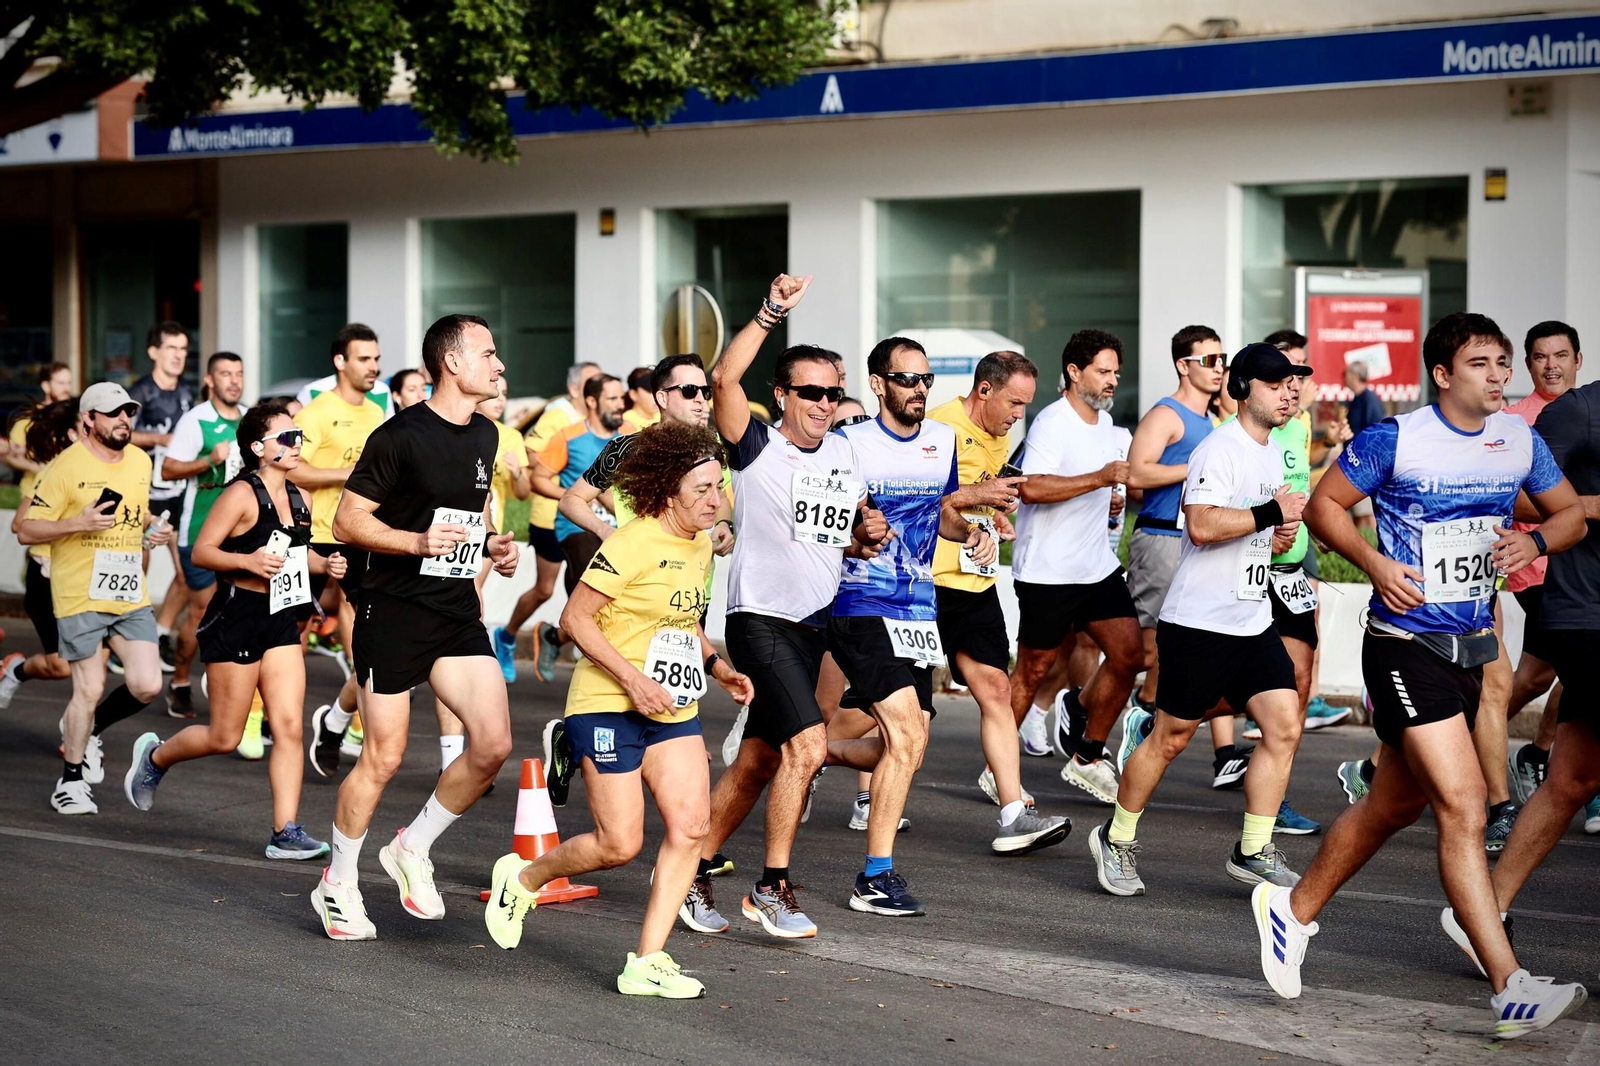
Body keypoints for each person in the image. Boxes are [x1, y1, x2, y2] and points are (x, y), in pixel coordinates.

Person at [1255, 312, 1588, 1040]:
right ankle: (1511, 987)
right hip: (1403, 645)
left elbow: (1569, 516)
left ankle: (1291, 910)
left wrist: (1534, 540)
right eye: (1481, 363)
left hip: (1472, 647)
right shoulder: (1395, 439)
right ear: (1442, 374)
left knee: (1391, 806)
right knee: (1464, 807)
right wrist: (1374, 563)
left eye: (1503, 363)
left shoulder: (1518, 441)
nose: (1499, 375)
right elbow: (1324, 506)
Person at [485, 421, 753, 997]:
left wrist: (719, 667)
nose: (716, 501)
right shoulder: (630, 543)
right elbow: (574, 620)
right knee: (619, 845)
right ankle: (524, 877)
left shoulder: (700, 545)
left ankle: (647, 961)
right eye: (703, 490)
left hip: (671, 706)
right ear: (669, 492)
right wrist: (633, 681)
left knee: (692, 827)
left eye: (719, 487)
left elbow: (682, 620)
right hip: (608, 702)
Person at [308, 313, 519, 941]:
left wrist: (491, 546)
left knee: (493, 745)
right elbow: (348, 521)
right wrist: (417, 541)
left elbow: (470, 515)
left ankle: (411, 845)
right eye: (488, 353)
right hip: (392, 609)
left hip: (453, 609)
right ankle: (337, 883)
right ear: (452, 362)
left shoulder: (486, 435)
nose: (499, 364)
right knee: (384, 756)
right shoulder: (398, 435)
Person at [662, 279, 862, 938]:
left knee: (759, 761)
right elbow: (723, 379)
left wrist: (867, 533)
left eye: (832, 393)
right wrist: (772, 311)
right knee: (807, 747)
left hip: (814, 628)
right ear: (782, 396)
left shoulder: (845, 453)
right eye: (811, 393)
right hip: (760, 623)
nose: (824, 404)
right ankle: (770, 887)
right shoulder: (757, 447)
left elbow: (846, 529)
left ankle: (689, 870)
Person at [1090, 344, 1311, 897]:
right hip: (1200, 623)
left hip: (1252, 619)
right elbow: (1203, 526)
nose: (1288, 393)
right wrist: (1272, 514)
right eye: (1276, 383)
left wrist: (1273, 535)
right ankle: (1116, 838)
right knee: (1171, 738)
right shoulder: (1219, 449)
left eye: (1292, 383)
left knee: (1284, 726)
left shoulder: (1268, 452)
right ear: (1243, 389)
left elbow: (1251, 528)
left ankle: (1253, 849)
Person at [825, 334, 1006, 917]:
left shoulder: (941, 440)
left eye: (926, 379)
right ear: (879, 385)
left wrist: (973, 532)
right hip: (860, 603)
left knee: (910, 745)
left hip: (917, 611)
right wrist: (856, 534)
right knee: (904, 737)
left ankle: (807, 749)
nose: (919, 389)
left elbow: (940, 514)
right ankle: (875, 877)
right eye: (907, 379)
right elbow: (825, 524)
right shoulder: (848, 443)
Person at [124, 402, 340, 859]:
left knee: (289, 727)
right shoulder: (241, 494)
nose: (297, 444)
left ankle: (285, 832)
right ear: (259, 448)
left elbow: (298, 556)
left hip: (280, 617)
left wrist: (327, 564)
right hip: (236, 615)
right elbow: (202, 552)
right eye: (287, 437)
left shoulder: (301, 498)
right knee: (225, 736)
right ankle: (156, 757)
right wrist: (248, 561)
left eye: (299, 436)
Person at [1460, 343, 1600, 981]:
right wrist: (1585, 506)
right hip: (1587, 612)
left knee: (1571, 779)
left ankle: (1482, 913)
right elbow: (1508, 492)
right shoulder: (1578, 412)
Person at [930, 349, 1072, 853]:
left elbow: (977, 499)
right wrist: (981, 496)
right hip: (925, 585)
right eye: (1014, 403)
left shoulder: (1001, 434)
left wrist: (995, 520)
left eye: (1025, 405)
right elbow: (924, 501)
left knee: (995, 689)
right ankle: (808, 753)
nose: (1018, 415)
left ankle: (1013, 814)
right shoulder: (938, 428)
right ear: (984, 390)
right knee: (887, 719)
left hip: (975, 584)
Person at [18, 383, 172, 813]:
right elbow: (26, 529)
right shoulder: (65, 467)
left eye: (128, 412)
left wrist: (152, 528)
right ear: (88, 420)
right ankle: (69, 783)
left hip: (128, 591)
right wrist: (77, 522)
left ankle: (88, 731)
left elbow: (136, 513)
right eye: (112, 413)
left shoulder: (140, 461)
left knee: (147, 684)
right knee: (89, 687)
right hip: (79, 592)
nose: (124, 419)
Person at [1008, 330, 1142, 809]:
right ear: (1074, 371)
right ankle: (998, 770)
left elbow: (1109, 487)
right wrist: (1099, 479)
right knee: (1033, 670)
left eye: (1116, 373)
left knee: (1129, 656)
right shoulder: (1051, 421)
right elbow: (1031, 488)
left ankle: (1087, 756)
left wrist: (1114, 496)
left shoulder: (1110, 428)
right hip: (1048, 571)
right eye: (1103, 371)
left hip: (1095, 567)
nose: (1112, 381)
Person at [1122, 325, 1249, 789]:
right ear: (1183, 365)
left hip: (1198, 543)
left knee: (1185, 647)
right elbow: (1135, 474)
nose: (1219, 369)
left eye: (1222, 360)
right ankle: (1117, 712)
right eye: (1209, 360)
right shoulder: (1167, 414)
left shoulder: (1212, 422)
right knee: (1149, 649)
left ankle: (1143, 717)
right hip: (1161, 536)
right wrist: (1192, 467)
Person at [295, 325, 385, 776]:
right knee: (291, 637)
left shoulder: (378, 411)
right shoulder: (316, 412)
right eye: (364, 359)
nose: (374, 367)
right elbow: (293, 469)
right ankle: (269, 715)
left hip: (362, 535)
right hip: (319, 536)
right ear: (340, 362)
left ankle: (337, 722)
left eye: (376, 359)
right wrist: (347, 474)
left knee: (375, 645)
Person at [1502, 321, 1582, 809]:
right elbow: (1514, 497)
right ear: (1528, 365)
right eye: (1540, 357)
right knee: (1566, 670)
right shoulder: (1515, 422)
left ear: (1578, 360)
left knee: (1543, 675)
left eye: (1561, 355)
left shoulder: (1590, 414)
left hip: (1584, 572)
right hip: (1538, 569)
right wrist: (1580, 508)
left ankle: (1537, 754)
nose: (1551, 366)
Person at [497, 362, 603, 681]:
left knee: (593, 593)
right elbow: (531, 454)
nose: (596, 386)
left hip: (585, 521)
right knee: (544, 589)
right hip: (550, 515)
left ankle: (561, 640)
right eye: (591, 380)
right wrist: (568, 477)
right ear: (574, 388)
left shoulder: (602, 420)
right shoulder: (558, 415)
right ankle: (507, 636)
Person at [160, 352, 245, 720]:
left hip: (240, 534)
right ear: (210, 380)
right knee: (202, 612)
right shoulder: (196, 420)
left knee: (239, 613)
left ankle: (229, 691)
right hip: (199, 534)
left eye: (239, 374)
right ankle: (180, 680)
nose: (234, 381)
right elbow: (168, 469)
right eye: (226, 374)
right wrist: (211, 459)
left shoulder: (248, 419)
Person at [526, 374, 630, 670]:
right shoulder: (568, 436)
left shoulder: (631, 434)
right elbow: (538, 479)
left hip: (622, 526)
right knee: (598, 583)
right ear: (592, 401)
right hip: (577, 527)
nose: (620, 405)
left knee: (616, 599)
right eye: (612, 399)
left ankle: (554, 636)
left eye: (621, 398)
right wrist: (579, 496)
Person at [0, 399, 82, 707]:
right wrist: (74, 524)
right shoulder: (54, 473)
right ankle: (16, 670)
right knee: (61, 666)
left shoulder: (115, 469)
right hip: (47, 576)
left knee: (94, 665)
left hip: (84, 578)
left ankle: (83, 728)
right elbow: (19, 525)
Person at [129, 322, 197, 675]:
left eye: (183, 349)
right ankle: (126, 642)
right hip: (144, 495)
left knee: (187, 572)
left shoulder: (187, 394)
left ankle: (160, 635)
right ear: (153, 351)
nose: (178, 355)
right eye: (172, 347)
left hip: (178, 494)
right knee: (136, 569)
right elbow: (121, 434)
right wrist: (159, 439)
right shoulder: (140, 392)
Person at [3, 361, 73, 483]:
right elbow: (9, 455)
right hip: (35, 487)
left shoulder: (77, 416)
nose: (67, 388)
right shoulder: (29, 418)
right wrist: (37, 468)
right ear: (46, 386)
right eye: (61, 383)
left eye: (69, 383)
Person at [622, 365, 660, 431]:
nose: (657, 396)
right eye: (650, 391)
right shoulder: (626, 422)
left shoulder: (663, 416)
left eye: (659, 391)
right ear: (633, 394)